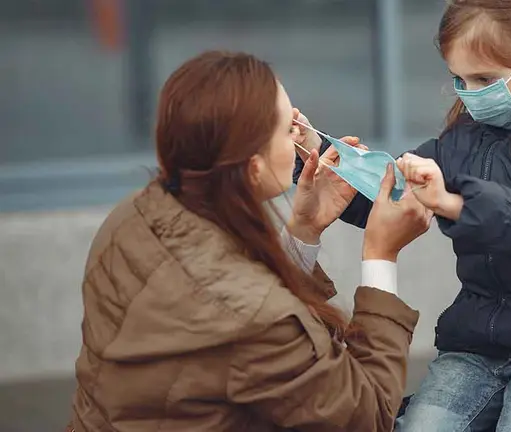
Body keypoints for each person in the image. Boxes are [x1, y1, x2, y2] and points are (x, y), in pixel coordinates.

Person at [294, 0, 511, 430]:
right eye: (459, 79)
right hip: (477, 346)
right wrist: (318, 155)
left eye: (484, 79)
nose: (470, 93)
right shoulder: (461, 138)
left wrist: (456, 203)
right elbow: (391, 193)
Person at [68, 51, 433, 431]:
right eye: (288, 128)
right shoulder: (252, 316)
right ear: (254, 167)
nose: (301, 134)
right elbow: (364, 416)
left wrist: (303, 231)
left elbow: (236, 323)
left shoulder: (132, 216)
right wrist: (380, 254)